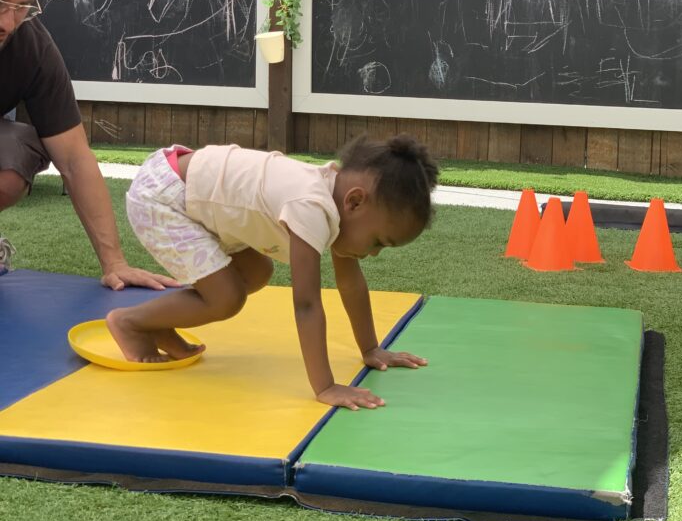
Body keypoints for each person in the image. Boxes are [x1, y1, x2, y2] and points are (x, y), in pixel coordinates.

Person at [107, 134, 439, 409]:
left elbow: (350, 282)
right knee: (227, 298)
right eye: (379, 241)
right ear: (354, 202)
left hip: (194, 194)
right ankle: (130, 323)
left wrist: (371, 349)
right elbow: (306, 304)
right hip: (163, 198)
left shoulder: (338, 200)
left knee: (256, 272)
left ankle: (160, 324)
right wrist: (325, 387)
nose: (375, 253)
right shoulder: (311, 206)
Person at [0, 0, 178, 291]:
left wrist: (114, 262)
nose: (9, 23)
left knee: (8, 163)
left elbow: (76, 159)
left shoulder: (32, 47)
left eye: (22, 6)